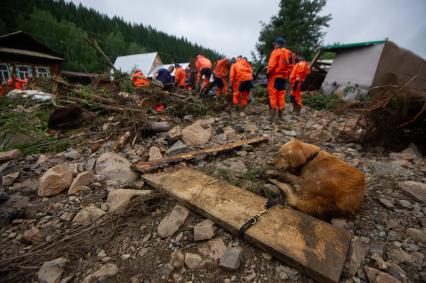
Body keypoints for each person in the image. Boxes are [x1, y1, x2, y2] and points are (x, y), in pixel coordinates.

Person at [267, 36, 294, 120]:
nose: (274, 46)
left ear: (278, 44)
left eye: (275, 44)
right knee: (281, 96)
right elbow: (291, 66)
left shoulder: (276, 52)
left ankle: (272, 116)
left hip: (275, 77)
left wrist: (268, 73)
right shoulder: (289, 53)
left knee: (273, 95)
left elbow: (271, 65)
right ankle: (281, 116)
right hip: (283, 78)